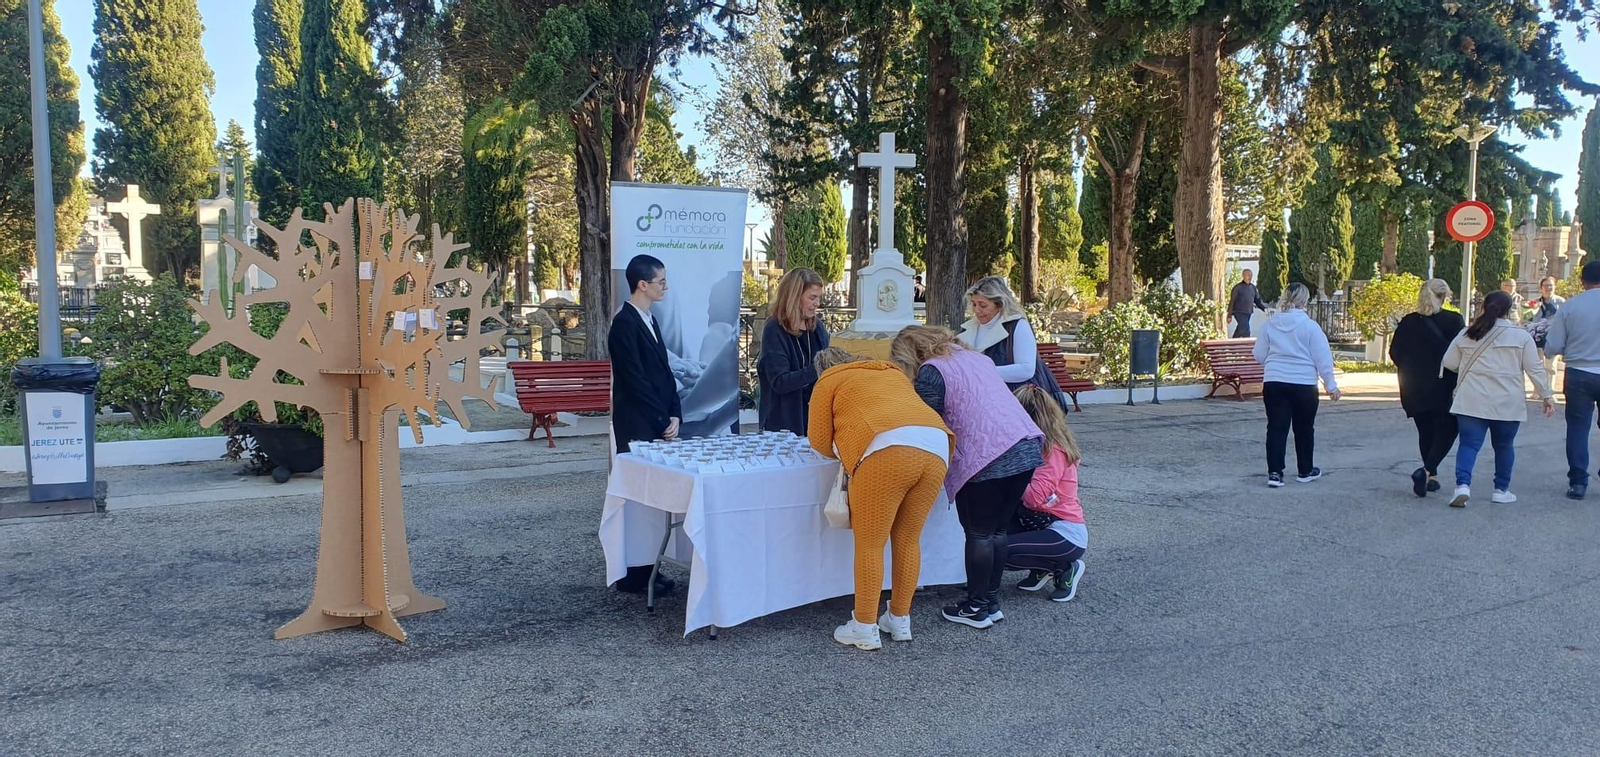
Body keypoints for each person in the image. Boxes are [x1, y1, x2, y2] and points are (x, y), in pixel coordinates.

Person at [891, 325, 1044, 630]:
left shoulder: (932, 372)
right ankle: (990, 601)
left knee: (979, 533)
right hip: (1024, 444)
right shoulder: (975, 358)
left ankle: (975, 607)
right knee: (997, 531)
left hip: (987, 455)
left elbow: (926, 421)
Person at [807, 348, 952, 650]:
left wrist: (845, 443)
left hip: (885, 448)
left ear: (823, 368)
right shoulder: (891, 372)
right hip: (936, 445)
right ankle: (899, 619)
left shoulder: (829, 380)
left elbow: (819, 441)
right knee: (908, 539)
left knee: (871, 543)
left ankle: (863, 626)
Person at [606, 254, 681, 596]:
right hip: (636, 425)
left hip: (656, 422)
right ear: (643, 285)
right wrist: (661, 419)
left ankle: (648, 567)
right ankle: (633, 572)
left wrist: (675, 414)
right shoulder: (624, 324)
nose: (665, 286)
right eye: (661, 281)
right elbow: (635, 381)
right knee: (637, 502)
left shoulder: (650, 320)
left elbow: (664, 374)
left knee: (653, 500)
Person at [1441, 290, 1555, 507]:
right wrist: (1546, 396)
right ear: (1509, 310)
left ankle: (1462, 486)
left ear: (1484, 307)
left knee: (1468, 445)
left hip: (1471, 399)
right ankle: (1501, 490)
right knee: (1504, 446)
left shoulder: (1467, 334)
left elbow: (1449, 362)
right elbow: (1535, 369)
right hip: (1507, 402)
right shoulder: (1521, 336)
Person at [1253, 283, 1342, 487]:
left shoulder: (1270, 324)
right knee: (1304, 428)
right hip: (1303, 383)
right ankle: (1305, 470)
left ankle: (1275, 473)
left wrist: (1275, 361)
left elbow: (1259, 355)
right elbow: (1323, 359)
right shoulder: (1310, 326)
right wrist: (1331, 385)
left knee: (1276, 427)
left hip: (1274, 381)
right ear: (1305, 301)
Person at [1006, 384, 1088, 604]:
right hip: (1042, 523)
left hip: (1066, 533)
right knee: (992, 538)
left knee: (998, 552)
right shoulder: (1041, 446)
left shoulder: (1053, 452)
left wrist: (1009, 474)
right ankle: (1041, 568)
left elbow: (1034, 497)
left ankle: (1064, 568)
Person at [1388, 278, 1467, 497]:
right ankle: (1427, 470)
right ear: (1445, 296)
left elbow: (1394, 353)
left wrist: (1411, 369)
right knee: (1449, 428)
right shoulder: (1454, 321)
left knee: (1426, 429)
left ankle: (1429, 476)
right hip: (1443, 383)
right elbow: (1462, 352)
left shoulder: (1408, 322)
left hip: (1412, 385)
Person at [958, 275, 1071, 410]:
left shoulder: (1017, 325)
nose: (977, 310)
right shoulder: (969, 328)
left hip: (1015, 402)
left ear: (1000, 304)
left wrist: (980, 372)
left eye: (983, 305)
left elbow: (1026, 369)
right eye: (974, 304)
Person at [1544, 261, 1600, 499]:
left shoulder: (1570, 307)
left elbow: (1553, 346)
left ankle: (1578, 482)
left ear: (1582, 281)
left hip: (1579, 372)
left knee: (1578, 428)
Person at [757, 268, 830, 433]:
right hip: (782, 424)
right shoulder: (774, 329)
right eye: (812, 297)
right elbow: (779, 382)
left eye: (819, 298)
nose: (817, 304)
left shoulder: (817, 328)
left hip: (814, 422)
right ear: (795, 297)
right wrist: (819, 368)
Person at [1527, 275, 1566, 378]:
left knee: (1550, 366)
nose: (1548, 288)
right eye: (1546, 285)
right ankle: (1538, 390)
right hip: (1536, 337)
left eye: (1551, 285)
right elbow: (1527, 319)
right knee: (1537, 365)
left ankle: (1549, 391)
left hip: (1553, 336)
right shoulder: (1534, 302)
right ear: (1541, 288)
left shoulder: (1561, 302)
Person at [1228, 268, 1269, 338]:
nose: (1250, 277)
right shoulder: (1237, 288)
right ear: (1243, 276)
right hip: (1238, 312)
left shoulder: (1253, 288)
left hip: (1248, 312)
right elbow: (1232, 301)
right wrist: (1229, 315)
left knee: (1240, 329)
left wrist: (1265, 309)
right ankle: (1247, 345)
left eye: (1251, 275)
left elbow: (1257, 301)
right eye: (1248, 275)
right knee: (1246, 330)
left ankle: (1232, 343)